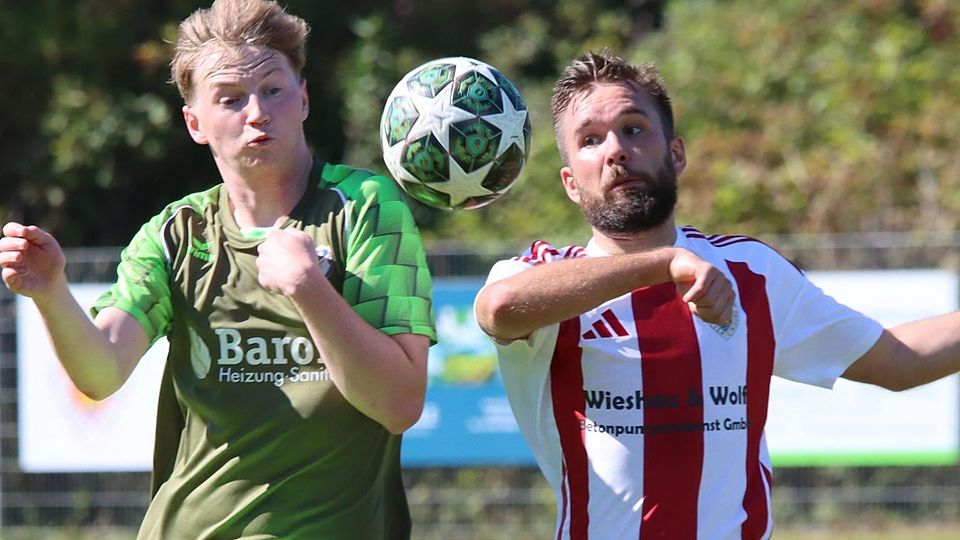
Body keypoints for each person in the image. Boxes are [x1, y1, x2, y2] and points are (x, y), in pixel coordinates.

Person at [474, 49, 960, 540]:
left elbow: (901, 361)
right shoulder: (541, 276)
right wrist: (664, 264)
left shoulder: (752, 273)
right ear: (571, 184)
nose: (615, 150)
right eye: (590, 140)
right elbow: (499, 309)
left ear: (676, 153)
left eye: (634, 128)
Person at [0, 0, 435, 538]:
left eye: (273, 90)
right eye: (230, 99)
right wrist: (50, 292)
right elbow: (101, 371)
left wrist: (307, 288)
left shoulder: (364, 208)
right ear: (194, 123)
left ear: (303, 98)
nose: (256, 113)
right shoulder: (176, 233)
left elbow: (398, 403)